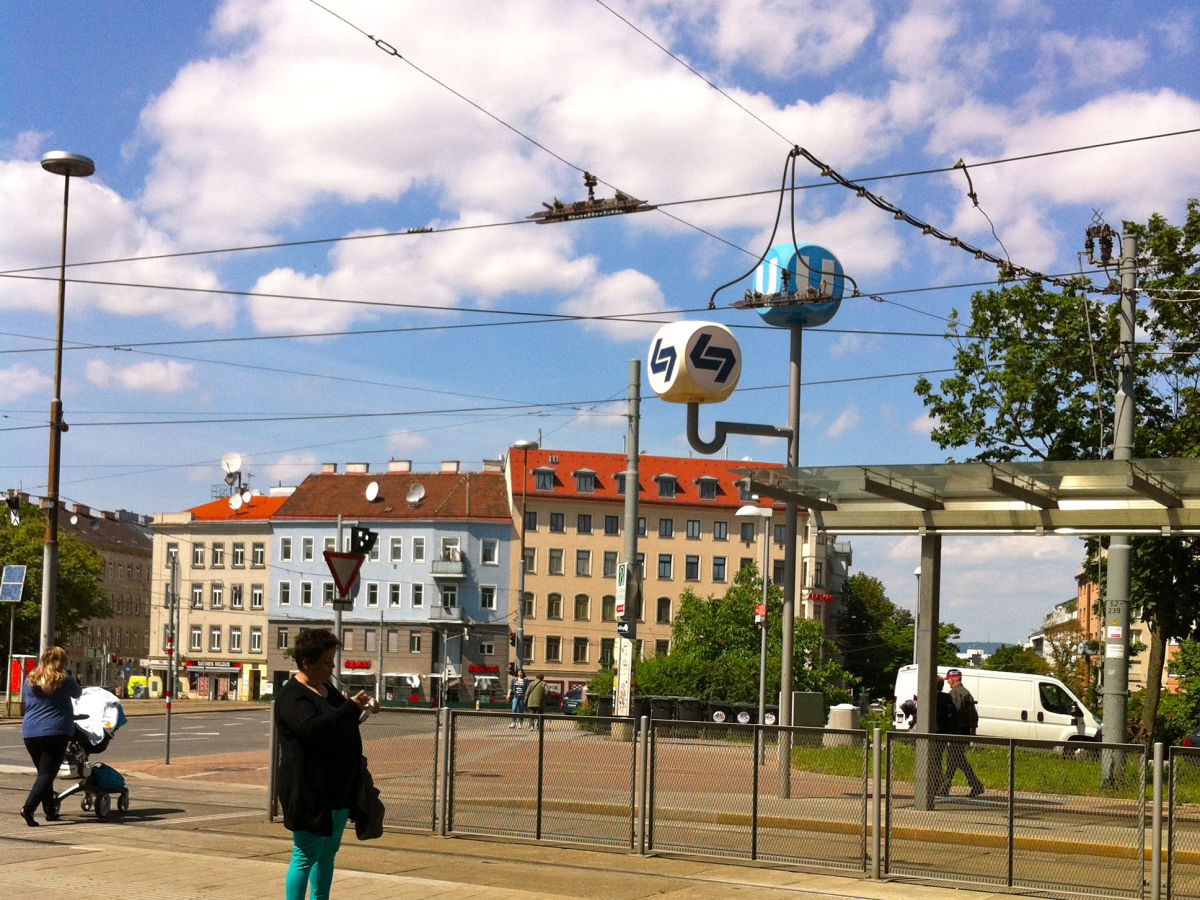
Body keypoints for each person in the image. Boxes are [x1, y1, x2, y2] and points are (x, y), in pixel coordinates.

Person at [275, 628, 379, 900]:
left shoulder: (326, 689)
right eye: (326, 661)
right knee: (305, 855)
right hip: (308, 792)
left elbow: (342, 722)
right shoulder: (292, 696)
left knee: (327, 854)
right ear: (306, 662)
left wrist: (365, 707)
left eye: (332, 660)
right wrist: (350, 708)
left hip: (337, 790)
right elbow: (313, 730)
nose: (331, 666)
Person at [19, 646, 82, 826]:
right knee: (47, 774)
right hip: (56, 731)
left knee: (43, 774)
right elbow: (78, 692)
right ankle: (28, 808)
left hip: (30, 732)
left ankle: (50, 811)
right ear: (62, 662)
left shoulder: (30, 679)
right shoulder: (64, 680)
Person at [943, 668, 984, 797]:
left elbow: (955, 713)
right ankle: (975, 784)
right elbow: (974, 716)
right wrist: (973, 733)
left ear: (953, 679)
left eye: (948, 680)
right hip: (966, 732)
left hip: (958, 731)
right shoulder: (967, 693)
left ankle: (945, 788)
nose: (948, 682)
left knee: (953, 760)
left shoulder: (954, 693)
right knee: (958, 760)